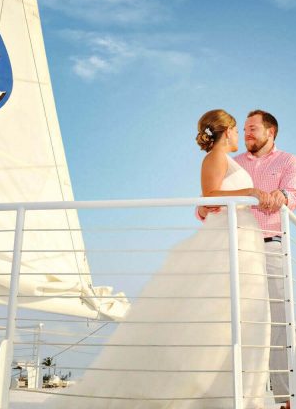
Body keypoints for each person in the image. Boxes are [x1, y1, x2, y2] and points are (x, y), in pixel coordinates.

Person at [57, 109, 273, 408]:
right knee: (218, 312)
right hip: (227, 236)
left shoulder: (225, 160)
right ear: (227, 131)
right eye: (236, 130)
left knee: (243, 315)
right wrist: (251, 191)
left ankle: (237, 392)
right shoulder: (215, 157)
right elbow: (210, 194)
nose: (239, 136)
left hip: (242, 237)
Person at [199, 109, 296, 409]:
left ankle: (285, 397)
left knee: (278, 320)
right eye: (243, 129)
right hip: (235, 246)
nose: (246, 134)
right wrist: (204, 209)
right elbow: (209, 197)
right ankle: (236, 394)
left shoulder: (289, 161)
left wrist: (279, 196)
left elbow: (294, 195)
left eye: (253, 129)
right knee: (234, 319)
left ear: (270, 132)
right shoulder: (233, 160)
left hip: (270, 243)